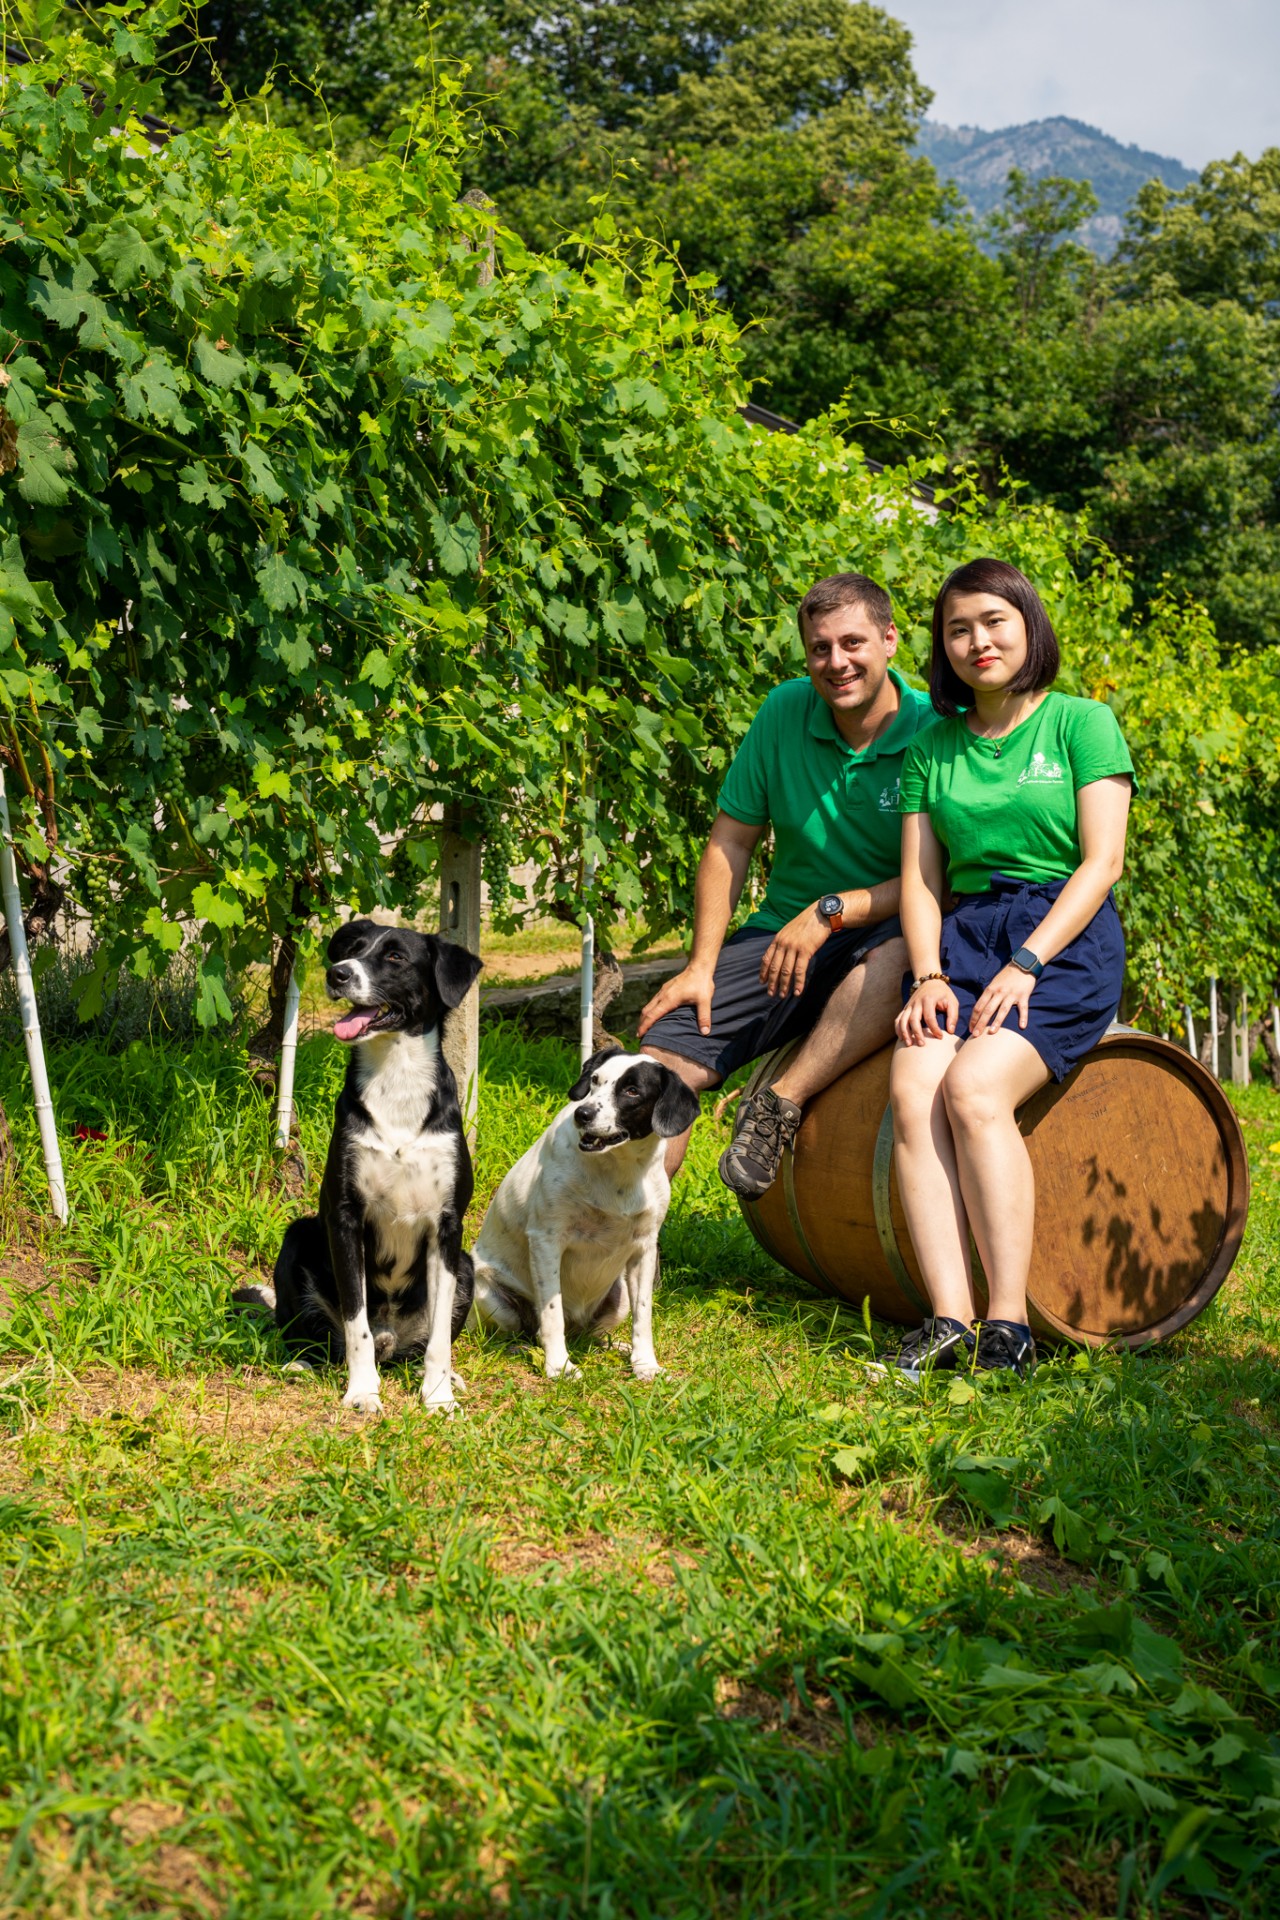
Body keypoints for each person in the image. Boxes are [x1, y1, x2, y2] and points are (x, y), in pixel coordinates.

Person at [889, 557, 1136, 1381]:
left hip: (1062, 936)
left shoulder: (1080, 723)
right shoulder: (931, 747)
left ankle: (1008, 1325)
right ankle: (949, 1317)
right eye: (957, 629)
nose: (976, 641)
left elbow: (1102, 863)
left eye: (993, 620)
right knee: (913, 1086)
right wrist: (927, 974)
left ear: (1027, 624)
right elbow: (922, 879)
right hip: (964, 938)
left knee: (973, 1088)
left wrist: (1029, 961)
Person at [638, 571, 936, 1196]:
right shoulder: (783, 710)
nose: (837, 662)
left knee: (907, 945)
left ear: (890, 640)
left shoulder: (937, 730)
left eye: (853, 643)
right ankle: (627, 1258)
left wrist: (830, 911)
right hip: (783, 937)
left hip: (888, 932)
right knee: (658, 1068)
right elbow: (731, 842)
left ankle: (778, 1104)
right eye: (820, 648)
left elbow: (937, 879)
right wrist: (700, 966)